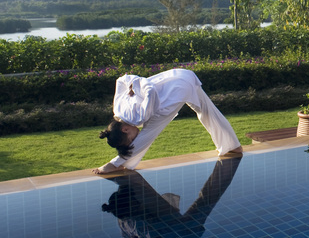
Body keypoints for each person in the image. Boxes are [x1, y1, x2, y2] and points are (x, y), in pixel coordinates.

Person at [93, 68, 242, 174]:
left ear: (124, 129)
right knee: (207, 111)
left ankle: (115, 164)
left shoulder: (138, 117)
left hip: (172, 94)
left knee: (148, 135)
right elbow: (121, 80)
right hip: (181, 76)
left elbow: (150, 90)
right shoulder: (117, 110)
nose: (135, 138)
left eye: (131, 139)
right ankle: (232, 145)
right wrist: (133, 85)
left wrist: (140, 86)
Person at [100, 155, 242, 238]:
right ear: (137, 205)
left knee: (206, 200)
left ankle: (228, 164)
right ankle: (229, 163)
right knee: (207, 199)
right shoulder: (145, 221)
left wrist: (112, 167)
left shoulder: (121, 213)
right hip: (183, 234)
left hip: (170, 231)